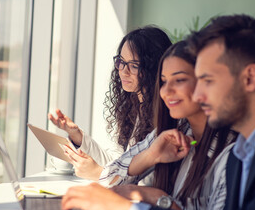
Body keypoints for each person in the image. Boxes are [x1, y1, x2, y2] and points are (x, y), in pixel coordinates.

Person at [61, 14, 255, 210]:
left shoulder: (251, 149)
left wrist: (136, 207)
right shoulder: (245, 146)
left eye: (207, 81)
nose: (198, 95)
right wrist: (150, 160)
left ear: (250, 78)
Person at [98, 41, 236, 210]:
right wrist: (150, 156)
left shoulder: (231, 153)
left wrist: (159, 199)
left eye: (179, 80)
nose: (166, 91)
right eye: (163, 81)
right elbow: (106, 181)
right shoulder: (174, 132)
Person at [48, 26, 172, 180]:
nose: (123, 71)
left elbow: (145, 183)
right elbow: (118, 163)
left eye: (134, 65)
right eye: (121, 62)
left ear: (154, 68)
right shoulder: (138, 108)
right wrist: (77, 136)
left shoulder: (165, 117)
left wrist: (98, 174)